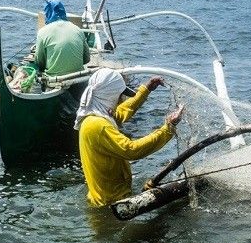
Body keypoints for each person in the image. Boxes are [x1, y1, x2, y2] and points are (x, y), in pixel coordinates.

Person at [75, 69, 184, 207]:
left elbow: (120, 112)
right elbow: (131, 150)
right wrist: (168, 128)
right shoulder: (98, 125)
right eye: (120, 96)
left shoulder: (94, 116)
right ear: (110, 95)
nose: (121, 100)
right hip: (111, 205)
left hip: (106, 200)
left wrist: (146, 89)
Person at [35, 0, 90, 77]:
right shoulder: (78, 30)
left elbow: (39, 62)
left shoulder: (42, 32)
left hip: (54, 78)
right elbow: (87, 59)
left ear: (47, 13)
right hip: (78, 76)